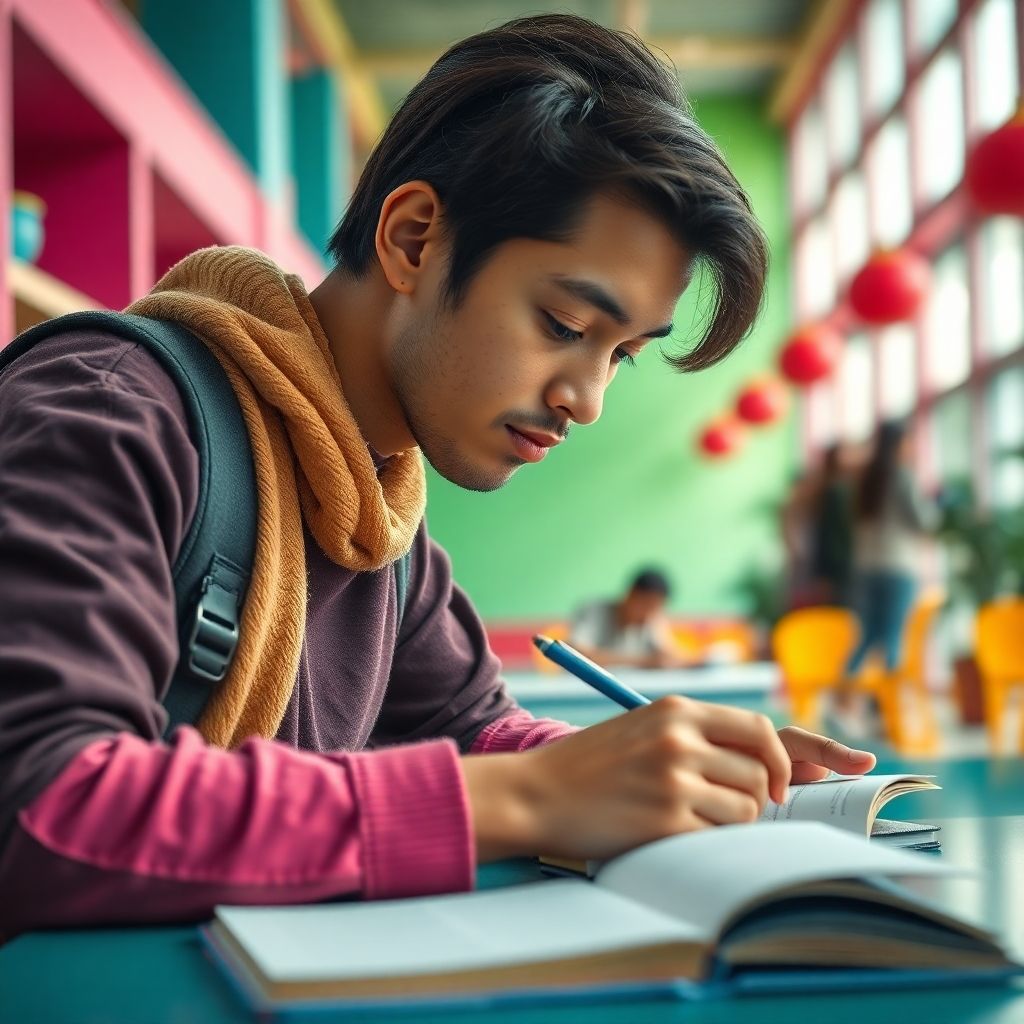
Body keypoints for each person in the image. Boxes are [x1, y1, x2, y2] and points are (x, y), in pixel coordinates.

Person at [0, 14, 875, 942]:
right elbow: (43, 805)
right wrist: (534, 795)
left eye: (622, 356)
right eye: (566, 325)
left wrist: (658, 768)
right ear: (415, 238)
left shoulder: (379, 511)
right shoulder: (110, 410)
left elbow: (471, 730)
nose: (587, 399)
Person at [832, 420, 936, 732]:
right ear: (900, 443)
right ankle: (887, 713)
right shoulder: (902, 476)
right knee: (891, 637)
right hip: (897, 566)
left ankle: (842, 703)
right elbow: (923, 520)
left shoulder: (864, 479)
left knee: (866, 637)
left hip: (866, 568)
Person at [569, 568, 685, 669]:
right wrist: (645, 661)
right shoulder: (593, 611)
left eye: (655, 608)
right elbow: (577, 655)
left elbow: (668, 659)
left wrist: (664, 649)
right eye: (646, 605)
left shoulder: (652, 620)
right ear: (631, 594)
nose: (648, 614)